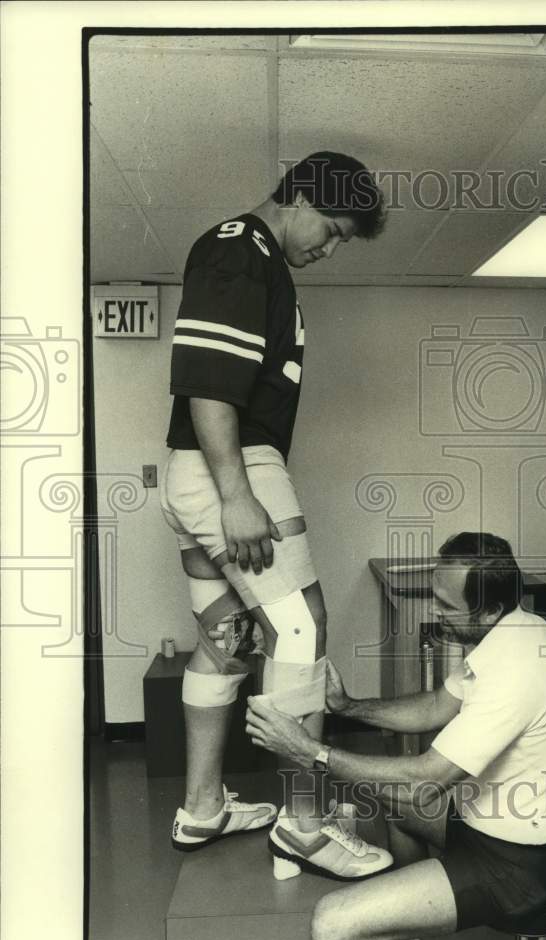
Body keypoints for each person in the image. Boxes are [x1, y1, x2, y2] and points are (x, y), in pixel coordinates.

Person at [159, 151, 393, 879]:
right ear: (300, 198)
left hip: (194, 471)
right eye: (332, 231)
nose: (329, 249)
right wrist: (237, 494)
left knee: (226, 642)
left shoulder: (257, 261)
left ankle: (203, 809)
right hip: (230, 468)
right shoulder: (241, 250)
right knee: (299, 629)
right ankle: (305, 825)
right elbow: (208, 382)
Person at [245, 532, 546, 940]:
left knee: (330, 925)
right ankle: (409, 939)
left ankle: (405, 925)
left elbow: (425, 781)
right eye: (435, 598)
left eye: (448, 606)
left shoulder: (517, 672)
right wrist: (347, 706)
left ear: (491, 609)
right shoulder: (514, 628)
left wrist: (309, 751)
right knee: (391, 799)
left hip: (516, 865)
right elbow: (436, 706)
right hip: (479, 823)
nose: (435, 612)